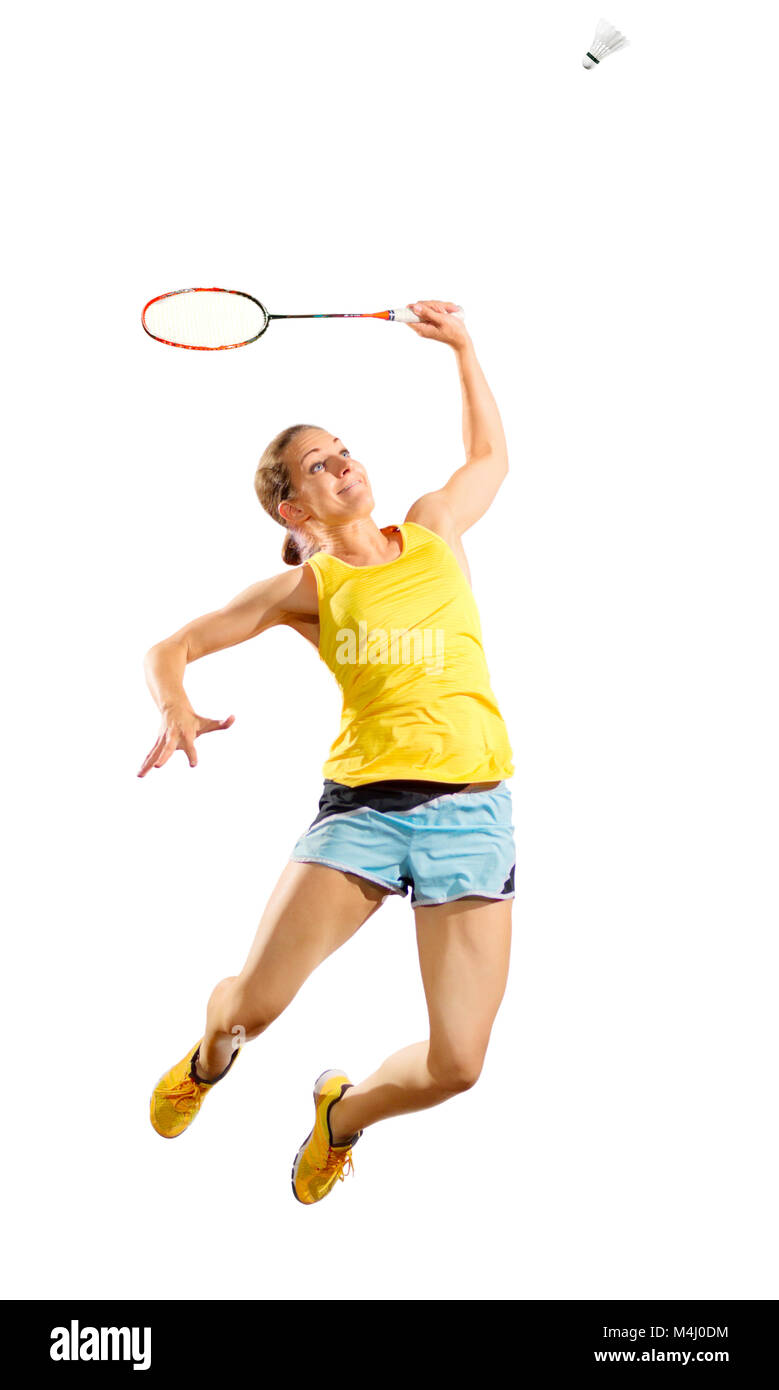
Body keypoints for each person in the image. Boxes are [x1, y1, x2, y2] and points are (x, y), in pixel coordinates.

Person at [138, 300, 516, 1204]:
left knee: (458, 1064)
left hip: (474, 810)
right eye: (319, 462)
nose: (343, 463)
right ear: (292, 503)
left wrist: (463, 348)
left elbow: (489, 459)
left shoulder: (434, 529)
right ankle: (209, 1053)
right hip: (365, 812)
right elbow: (170, 647)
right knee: (255, 1009)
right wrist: (177, 703)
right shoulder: (306, 587)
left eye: (344, 448)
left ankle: (340, 1119)